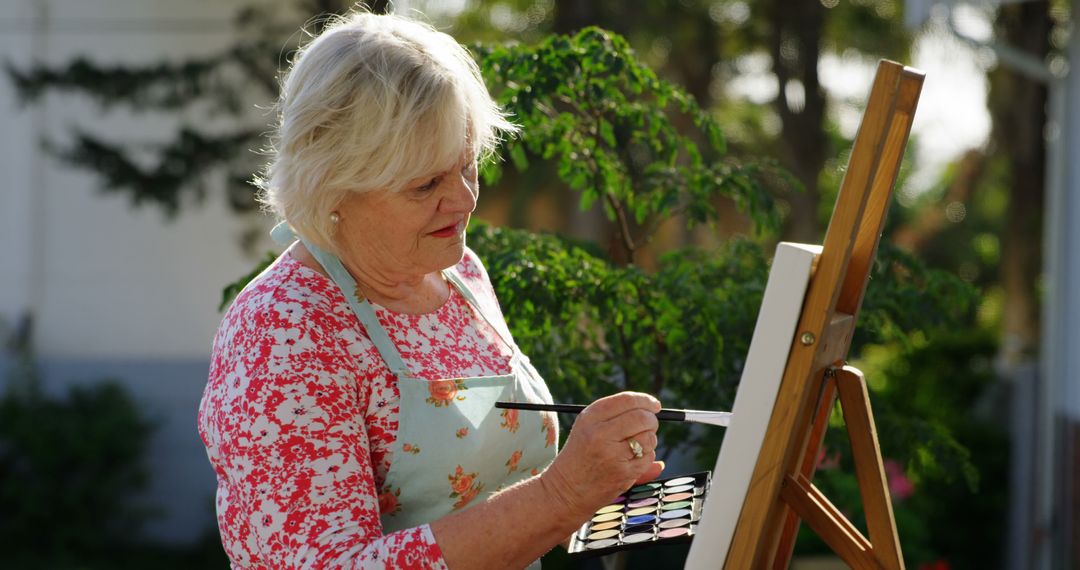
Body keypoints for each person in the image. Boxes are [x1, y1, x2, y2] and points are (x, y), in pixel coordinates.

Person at [197, 9, 664, 569]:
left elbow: (496, 493)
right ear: (332, 186)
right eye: (426, 184)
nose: (465, 199)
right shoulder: (284, 330)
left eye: (467, 165)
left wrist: (607, 492)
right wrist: (561, 494)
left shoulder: (458, 272)